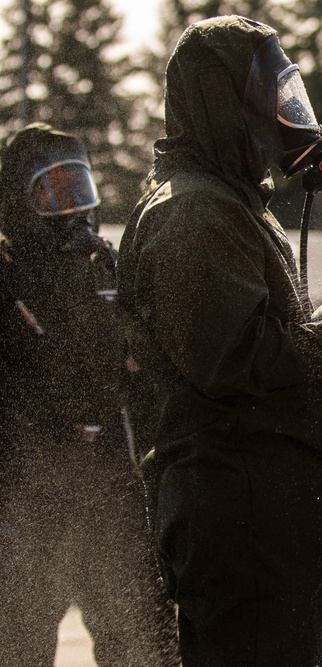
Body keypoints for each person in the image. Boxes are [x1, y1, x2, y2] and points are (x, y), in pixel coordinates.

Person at [115, 16, 322, 666]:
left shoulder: (227, 205)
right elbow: (238, 357)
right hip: (244, 524)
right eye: (276, 98)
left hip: (268, 530)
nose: (291, 116)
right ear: (228, 103)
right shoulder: (192, 213)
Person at [0, 123, 180, 664]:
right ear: (19, 202)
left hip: (111, 489)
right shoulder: (7, 279)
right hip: (32, 497)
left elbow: (144, 367)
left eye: (80, 191)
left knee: (144, 642)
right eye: (53, 194)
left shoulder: (105, 265)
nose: (73, 210)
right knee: (20, 645)